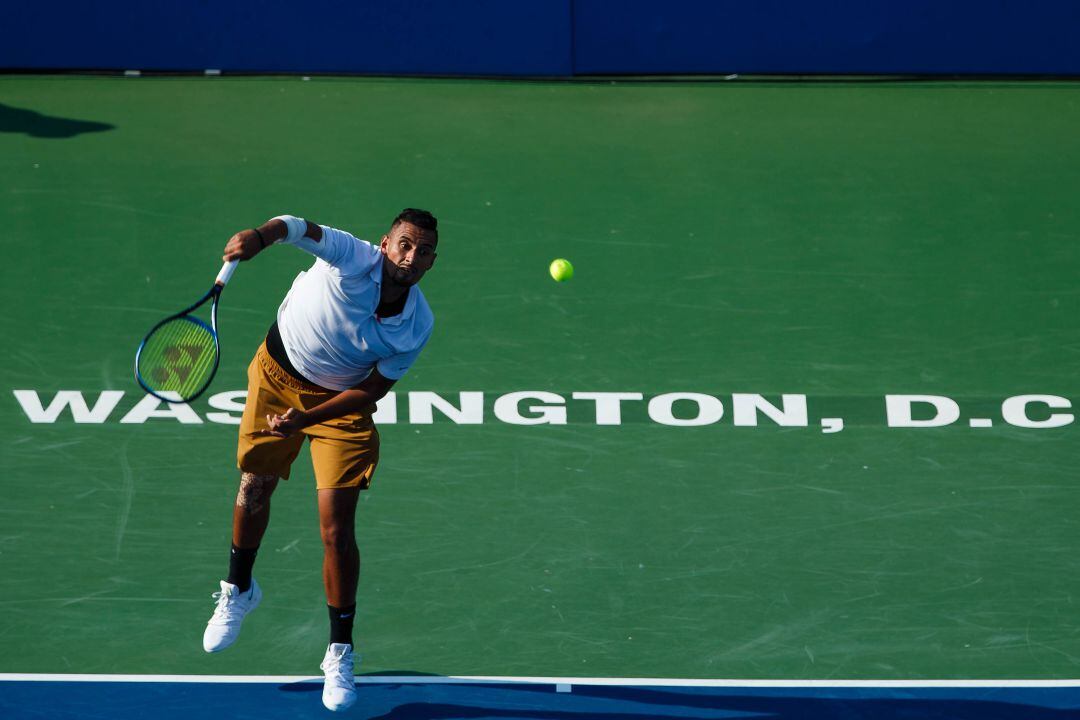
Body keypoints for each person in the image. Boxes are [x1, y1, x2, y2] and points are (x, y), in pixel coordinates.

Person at [202, 209, 438, 712]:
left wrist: (304, 420)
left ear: (431, 262)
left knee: (336, 530)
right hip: (277, 375)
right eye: (404, 244)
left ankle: (339, 651)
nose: (410, 257)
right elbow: (295, 226)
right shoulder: (351, 257)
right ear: (386, 243)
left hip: (338, 407)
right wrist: (260, 238)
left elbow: (372, 390)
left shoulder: (418, 323)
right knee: (254, 486)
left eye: (422, 251)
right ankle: (238, 588)